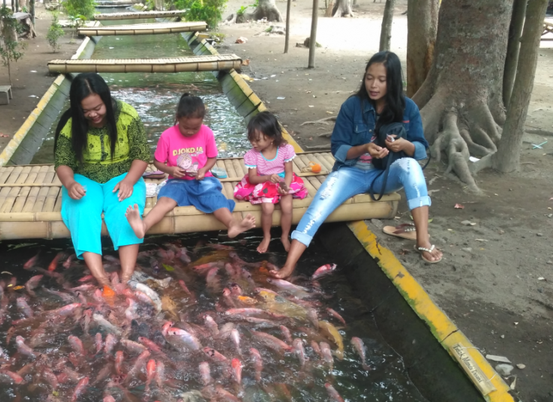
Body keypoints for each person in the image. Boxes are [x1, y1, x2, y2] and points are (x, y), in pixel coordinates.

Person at [272, 51, 442, 280]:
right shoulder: (352, 106)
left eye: (381, 80)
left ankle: (423, 240)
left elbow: (421, 149)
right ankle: (290, 264)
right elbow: (338, 149)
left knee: (410, 166)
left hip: (384, 176)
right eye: (369, 77)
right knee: (320, 203)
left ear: (392, 81)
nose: (373, 85)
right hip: (351, 173)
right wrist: (364, 148)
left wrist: (404, 145)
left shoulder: (407, 108)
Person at [54, 73, 149, 287]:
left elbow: (142, 155)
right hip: (84, 178)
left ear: (106, 99)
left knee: (126, 208)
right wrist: (70, 183)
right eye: (86, 111)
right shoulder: (70, 123)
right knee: (82, 210)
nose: (93, 115)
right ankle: (102, 279)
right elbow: (62, 162)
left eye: (97, 108)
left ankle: (126, 278)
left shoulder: (127, 115)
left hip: (123, 175)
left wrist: (129, 181)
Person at [126, 93, 255, 239]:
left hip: (202, 180)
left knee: (215, 198)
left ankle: (232, 225)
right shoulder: (167, 136)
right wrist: (170, 170)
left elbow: (212, 157)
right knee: (166, 200)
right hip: (177, 181)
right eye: (186, 127)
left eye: (196, 128)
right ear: (178, 118)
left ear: (202, 122)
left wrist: (204, 169)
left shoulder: (207, 133)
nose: (191, 131)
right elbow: (157, 162)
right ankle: (143, 226)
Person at [234, 111, 308, 253]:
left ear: (272, 137)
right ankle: (266, 236)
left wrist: (285, 187)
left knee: (287, 207)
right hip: (263, 182)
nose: (253, 143)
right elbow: (252, 178)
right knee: (267, 208)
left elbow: (288, 172)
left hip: (283, 182)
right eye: (251, 139)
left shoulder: (285, 149)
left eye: (258, 140)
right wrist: (267, 178)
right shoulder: (252, 155)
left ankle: (284, 237)